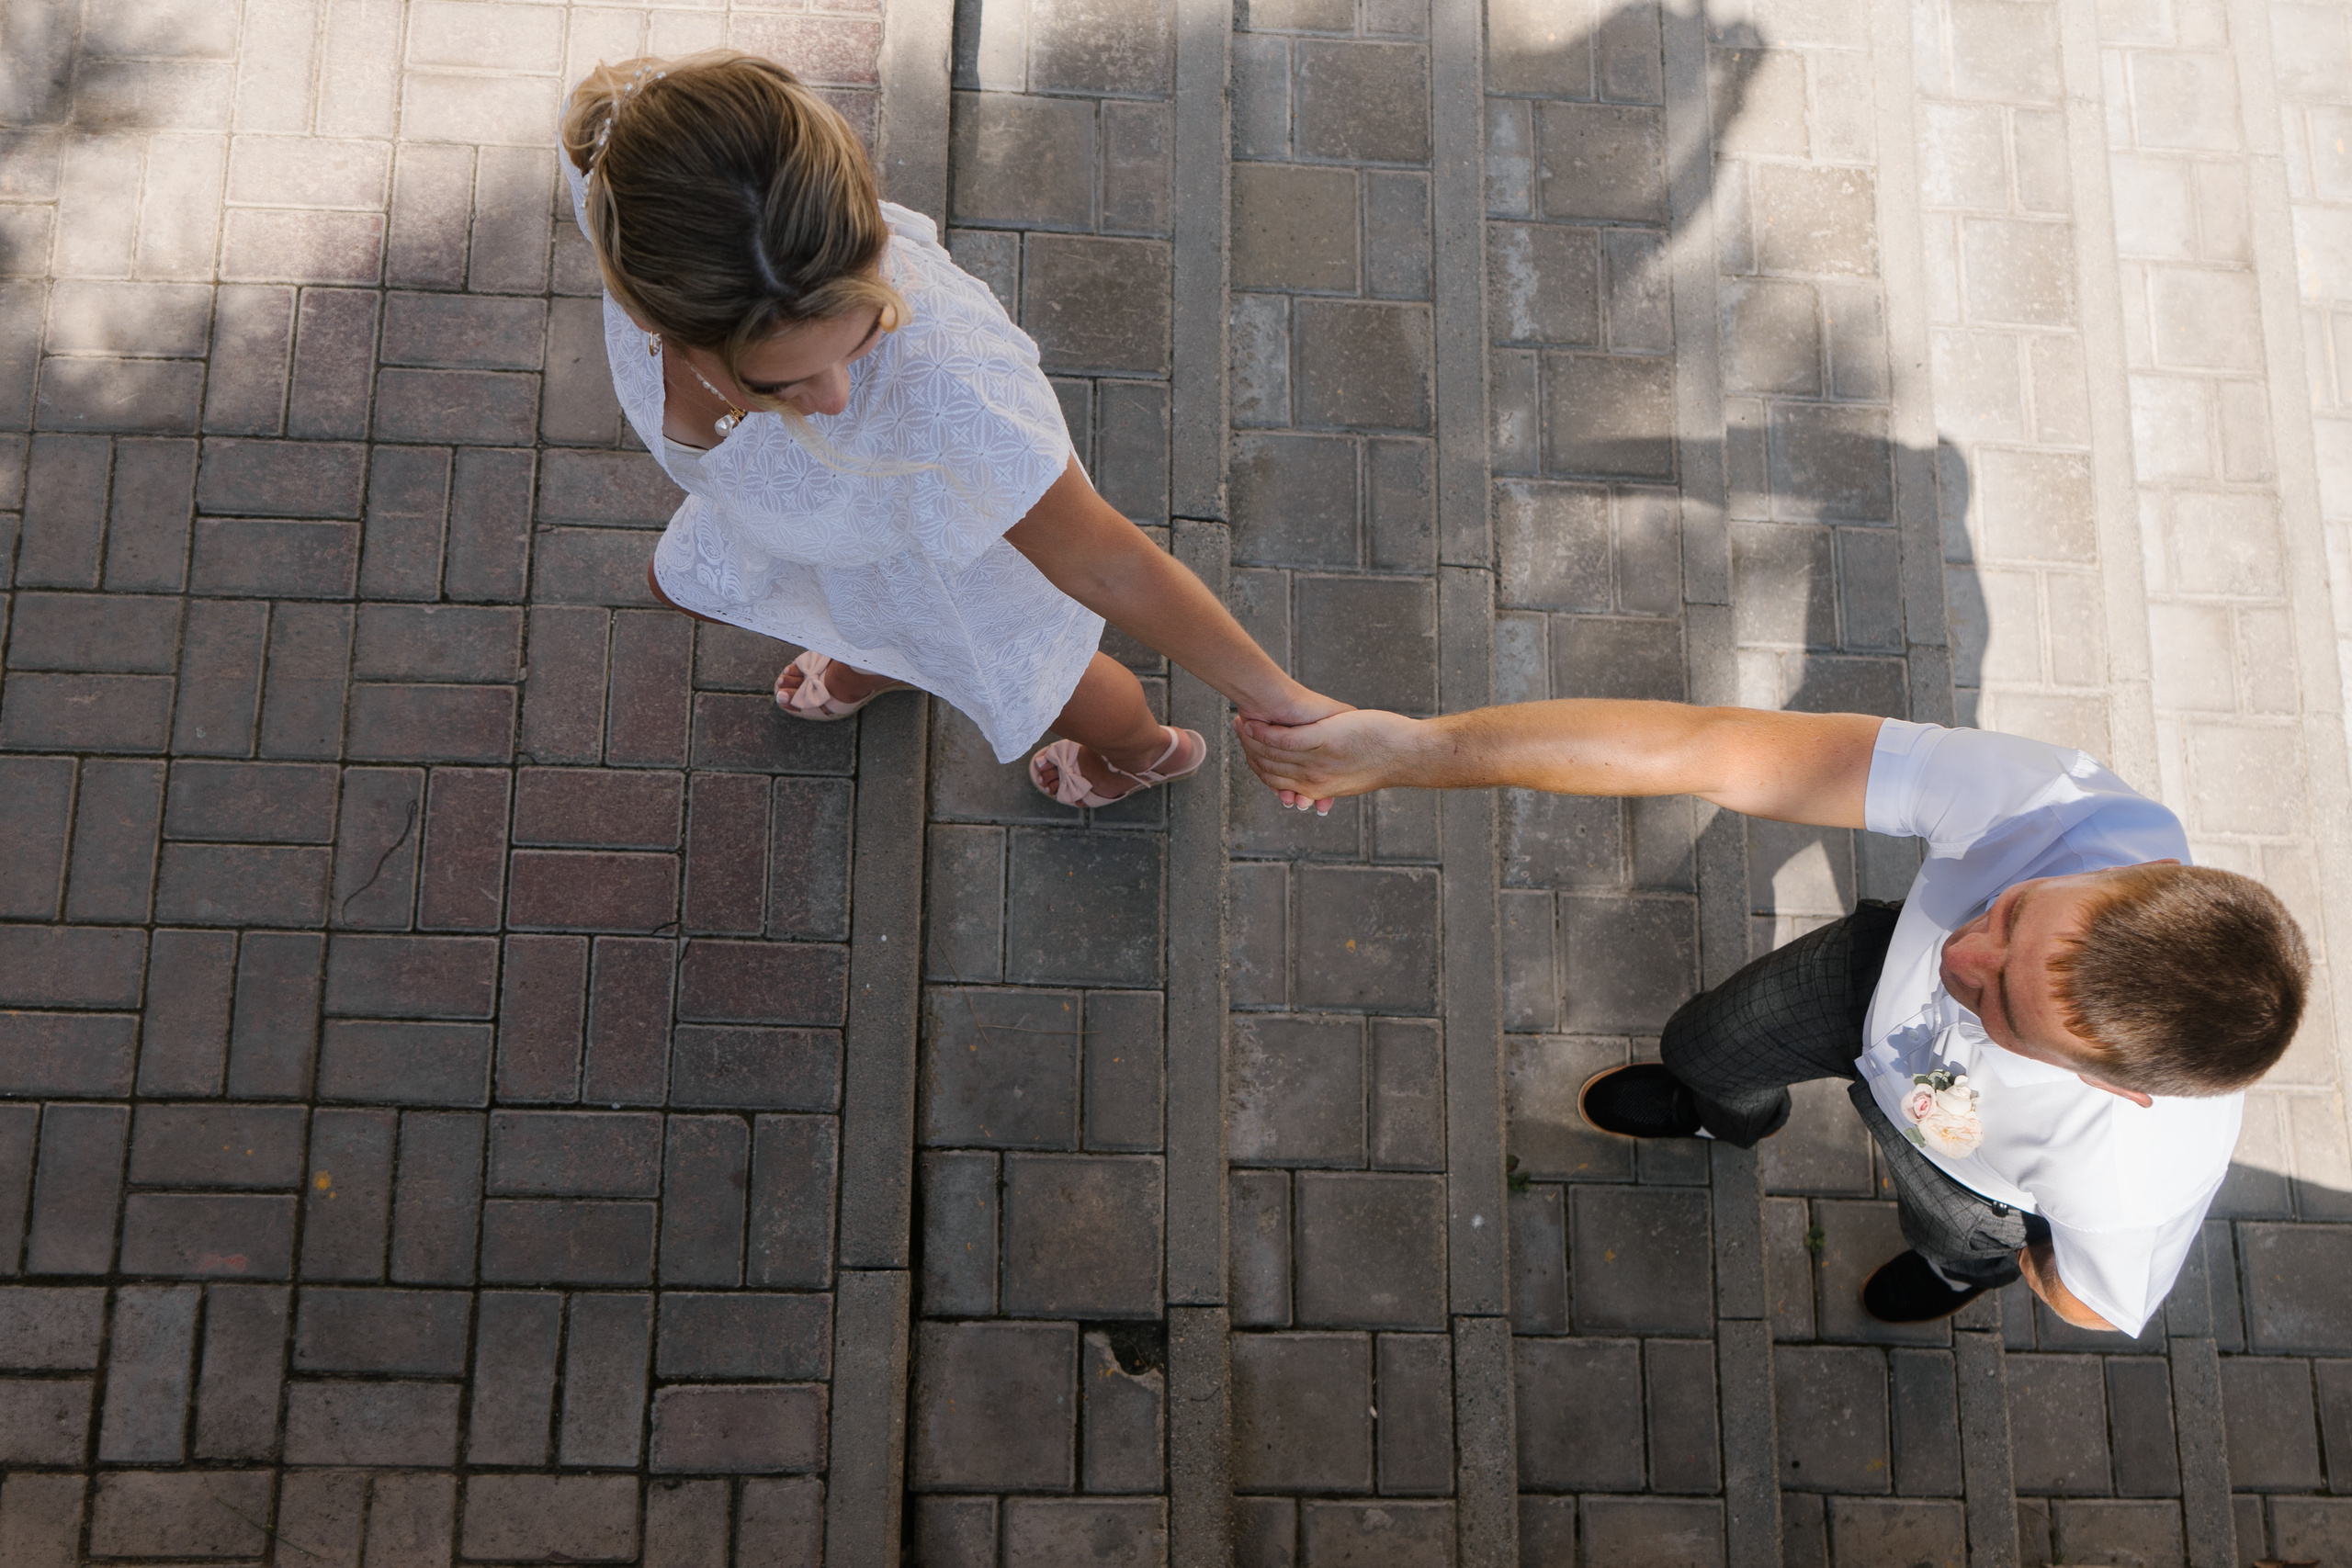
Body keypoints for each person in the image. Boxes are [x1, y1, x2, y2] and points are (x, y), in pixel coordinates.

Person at [1237, 700, 2309, 1333]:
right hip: (1858, 991)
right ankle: (1721, 1113)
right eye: (2012, 912)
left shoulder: (2142, 1171)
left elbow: (2089, 1300)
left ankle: (1953, 1267)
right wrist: (1411, 753)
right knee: (1706, 1044)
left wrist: (2017, 1254)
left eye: (2000, 1002)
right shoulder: (2063, 807)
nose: (1960, 954)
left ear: (2116, 1086)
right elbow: (1715, 748)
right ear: (2144, 873)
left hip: (1974, 1171)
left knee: (1951, 1233)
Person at [559, 52, 1344, 807]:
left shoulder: (947, 392)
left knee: (1046, 682)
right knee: (832, 619)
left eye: (863, 338)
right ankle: (888, 661)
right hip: (828, 543)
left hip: (946, 574)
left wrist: (1285, 701)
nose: (834, 400)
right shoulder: (634, 198)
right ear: (646, 310)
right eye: (779, 382)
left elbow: (1108, 566)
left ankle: (1143, 754)